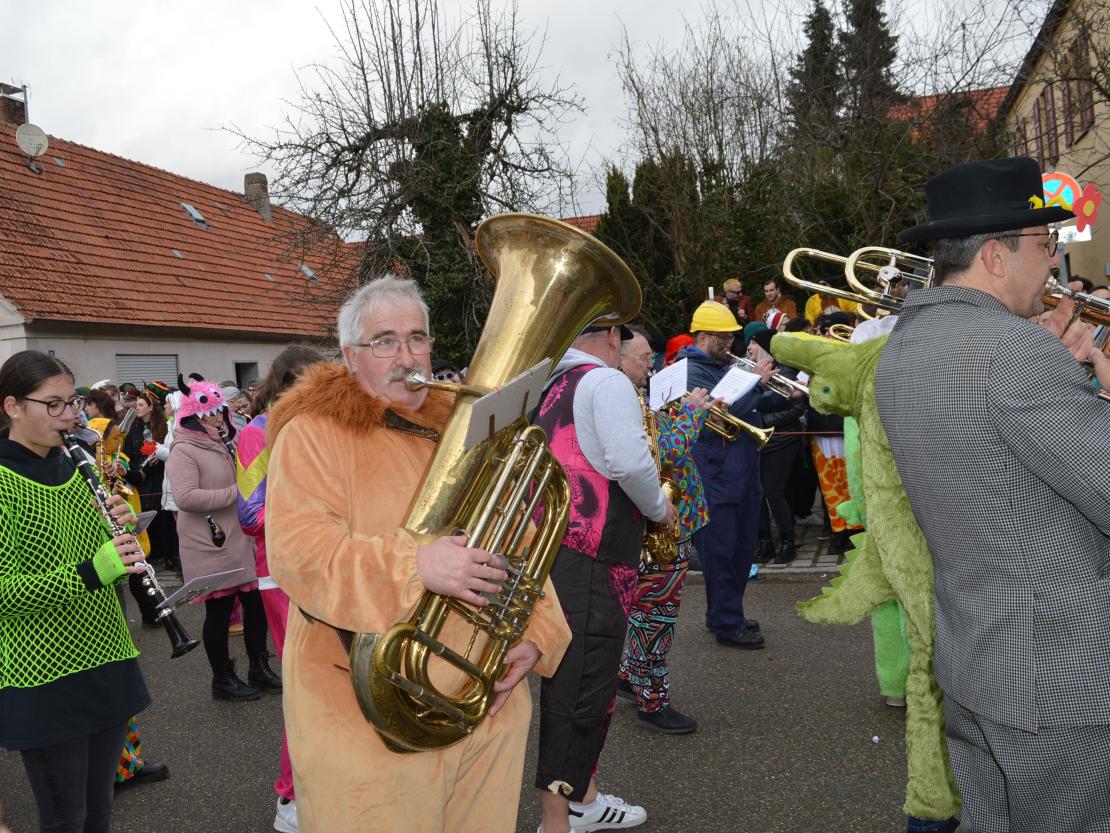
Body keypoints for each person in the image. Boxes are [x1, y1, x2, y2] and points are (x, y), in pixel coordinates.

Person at [264, 276, 571, 833]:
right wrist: (416, 566)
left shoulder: (467, 422)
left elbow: (524, 544)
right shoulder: (312, 432)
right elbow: (298, 554)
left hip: (484, 704)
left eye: (417, 338)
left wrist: (537, 637)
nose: (405, 355)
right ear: (352, 355)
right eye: (384, 340)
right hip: (365, 712)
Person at [876, 156, 1110, 833]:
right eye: (1045, 244)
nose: (1056, 263)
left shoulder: (907, 345)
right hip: (1062, 676)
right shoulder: (1015, 353)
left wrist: (1057, 383)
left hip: (979, 661)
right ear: (996, 257)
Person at [532, 322, 676, 833]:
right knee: (582, 691)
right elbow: (631, 465)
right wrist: (660, 510)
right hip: (594, 557)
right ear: (613, 335)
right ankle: (560, 819)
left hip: (553, 552)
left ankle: (585, 798)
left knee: (569, 681)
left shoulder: (552, 383)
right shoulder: (606, 382)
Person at [0, 350, 151, 833]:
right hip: (44, 674)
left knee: (100, 812)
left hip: (104, 657)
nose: (71, 416)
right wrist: (94, 569)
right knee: (67, 819)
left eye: (72, 403)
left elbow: (104, 564)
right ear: (12, 406)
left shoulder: (73, 467)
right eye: (54, 404)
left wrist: (119, 539)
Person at [238, 344, 327, 833]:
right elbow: (250, 515)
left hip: (324, 570)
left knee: (327, 685)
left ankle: (318, 787)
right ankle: (290, 799)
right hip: (280, 574)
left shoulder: (314, 425)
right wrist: (312, 515)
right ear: (292, 382)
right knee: (305, 687)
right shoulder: (256, 432)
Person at [616, 328, 709, 734]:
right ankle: (653, 700)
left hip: (668, 519)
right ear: (618, 358)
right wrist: (693, 413)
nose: (651, 364)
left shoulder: (633, 396)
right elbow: (664, 452)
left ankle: (628, 675)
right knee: (656, 615)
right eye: (643, 358)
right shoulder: (624, 399)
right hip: (660, 525)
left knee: (647, 613)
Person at [167, 373, 278, 703]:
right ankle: (223, 678)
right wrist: (237, 493)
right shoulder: (183, 450)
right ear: (192, 417)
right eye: (208, 414)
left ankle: (259, 667)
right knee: (219, 612)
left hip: (239, 540)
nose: (216, 418)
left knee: (255, 607)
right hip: (210, 542)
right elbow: (185, 497)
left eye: (219, 412)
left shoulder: (226, 441)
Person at [678, 302, 773, 648]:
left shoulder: (722, 365)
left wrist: (776, 391)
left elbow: (750, 406)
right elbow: (722, 412)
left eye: (731, 337)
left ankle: (723, 612)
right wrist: (758, 385)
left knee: (742, 548)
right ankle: (727, 623)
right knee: (722, 550)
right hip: (716, 471)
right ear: (703, 336)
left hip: (743, 466)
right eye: (723, 337)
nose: (729, 344)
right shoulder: (690, 370)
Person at [748, 327, 807, 565]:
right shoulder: (747, 371)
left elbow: (797, 409)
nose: (748, 348)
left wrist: (763, 422)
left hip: (783, 439)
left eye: (752, 343)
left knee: (774, 491)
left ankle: (787, 541)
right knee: (758, 493)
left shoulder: (786, 372)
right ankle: (765, 542)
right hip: (758, 441)